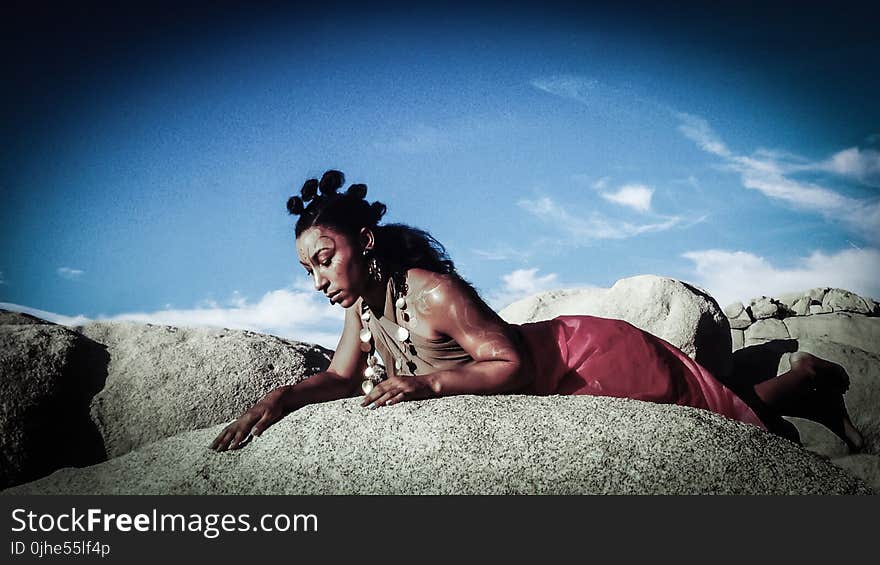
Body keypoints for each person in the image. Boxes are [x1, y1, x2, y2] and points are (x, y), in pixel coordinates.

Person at [210, 170, 864, 453]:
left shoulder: (433, 290)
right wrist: (284, 395)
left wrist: (428, 381)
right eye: (308, 269)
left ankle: (806, 378)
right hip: (560, 365)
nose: (318, 279)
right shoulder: (366, 309)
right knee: (721, 403)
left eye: (324, 258)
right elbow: (344, 376)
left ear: (366, 242)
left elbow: (511, 361)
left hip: (584, 359)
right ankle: (802, 381)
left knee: (719, 415)